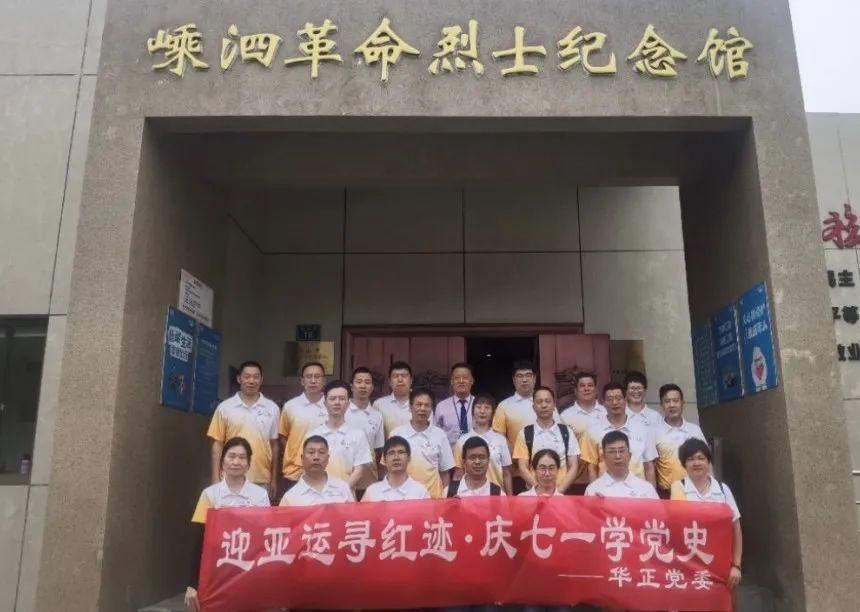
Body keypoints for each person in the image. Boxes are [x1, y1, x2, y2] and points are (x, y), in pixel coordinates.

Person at [185, 437, 269, 611]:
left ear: (249, 463)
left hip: (249, 573)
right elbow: (198, 540)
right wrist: (192, 584)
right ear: (222, 461)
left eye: (242, 457)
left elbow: (264, 538)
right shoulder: (210, 495)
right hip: (216, 573)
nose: (236, 462)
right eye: (231, 456)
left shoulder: (260, 495)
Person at [671, 438, 743, 590]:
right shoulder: (678, 488)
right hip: (689, 565)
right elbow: (675, 528)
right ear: (684, 464)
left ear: (708, 462)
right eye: (691, 459)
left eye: (701, 458)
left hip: (722, 564)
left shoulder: (723, 490)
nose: (696, 463)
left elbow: (736, 528)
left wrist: (736, 565)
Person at [206, 361, 279, 496]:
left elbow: (274, 445)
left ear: (261, 380)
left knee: (260, 511)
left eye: (256, 377)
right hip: (229, 478)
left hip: (261, 479)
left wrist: (274, 479)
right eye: (247, 376)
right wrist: (215, 478)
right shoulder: (224, 408)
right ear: (239, 379)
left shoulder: (272, 408)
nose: (251, 381)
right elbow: (218, 444)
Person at [580, 382, 658, 487]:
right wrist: (594, 492)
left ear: (625, 400)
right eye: (610, 399)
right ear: (604, 403)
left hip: (637, 491)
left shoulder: (643, 429)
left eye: (618, 398)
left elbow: (649, 466)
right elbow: (592, 467)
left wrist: (652, 494)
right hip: (606, 491)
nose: (615, 402)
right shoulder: (593, 430)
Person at [304, 380, 372, 492]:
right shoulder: (313, 435)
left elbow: (359, 471)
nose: (337, 402)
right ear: (325, 403)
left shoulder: (358, 435)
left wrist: (340, 492)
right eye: (332, 399)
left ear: (348, 404)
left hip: (346, 495)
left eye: (341, 399)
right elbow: (307, 469)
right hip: (318, 495)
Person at [513, 386, 580, 494]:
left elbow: (573, 466)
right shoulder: (525, 433)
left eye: (548, 401)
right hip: (534, 494)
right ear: (533, 407)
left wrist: (558, 492)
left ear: (554, 405)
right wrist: (539, 490)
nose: (544, 405)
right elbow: (522, 467)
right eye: (539, 402)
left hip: (562, 493)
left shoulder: (566, 432)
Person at [390, 389, 456, 498]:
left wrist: (445, 498)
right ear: (410, 407)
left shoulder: (440, 435)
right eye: (419, 405)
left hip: (433, 499)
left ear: (432, 409)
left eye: (427, 405)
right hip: (403, 498)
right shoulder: (396, 433)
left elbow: (445, 472)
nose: (422, 409)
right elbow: (388, 469)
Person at [279, 361, 328, 494]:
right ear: (302, 381)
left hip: (326, 471)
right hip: (294, 472)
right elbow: (283, 437)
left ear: (324, 381)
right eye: (309, 376)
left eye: (317, 376)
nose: (313, 380)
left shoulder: (331, 406)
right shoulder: (290, 406)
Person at [453, 394, 514, 494]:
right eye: (478, 407)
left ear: (493, 413)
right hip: (468, 495)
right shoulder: (462, 440)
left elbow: (506, 474)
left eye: (487, 407)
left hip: (495, 494)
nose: (482, 411)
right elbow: (458, 473)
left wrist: (510, 498)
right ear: (473, 411)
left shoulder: (500, 440)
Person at [654, 384, 706, 498]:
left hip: (696, 491)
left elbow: (707, 461)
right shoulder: (654, 432)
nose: (672, 405)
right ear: (661, 405)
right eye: (667, 401)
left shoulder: (695, 430)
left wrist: (712, 488)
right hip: (667, 494)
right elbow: (650, 467)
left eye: (676, 401)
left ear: (682, 403)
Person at [559, 371, 606, 494]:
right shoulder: (565, 416)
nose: (586, 389)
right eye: (582, 386)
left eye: (590, 385)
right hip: (575, 479)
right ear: (575, 391)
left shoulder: (606, 413)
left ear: (596, 390)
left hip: (603, 477)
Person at [280, 435, 354, 506]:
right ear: (302, 459)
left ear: (328, 458)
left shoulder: (342, 488)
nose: (316, 457)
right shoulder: (290, 498)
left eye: (321, 452)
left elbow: (353, 514)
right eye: (311, 452)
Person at [585, 431, 659, 499]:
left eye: (622, 451)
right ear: (604, 457)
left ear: (629, 455)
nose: (618, 456)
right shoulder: (593, 490)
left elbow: (657, 509)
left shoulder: (646, 489)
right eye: (612, 451)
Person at [345, 366, 384, 491]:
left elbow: (378, 449)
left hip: (368, 479)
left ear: (372, 387)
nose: (363, 386)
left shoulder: (377, 415)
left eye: (367, 382)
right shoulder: (342, 411)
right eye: (359, 382)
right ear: (351, 386)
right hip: (344, 476)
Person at [362, 436, 431, 501]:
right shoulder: (372, 492)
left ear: (409, 458)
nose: (396, 457)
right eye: (391, 453)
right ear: (384, 460)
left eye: (401, 452)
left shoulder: (421, 492)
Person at [435, 362, 476, 445]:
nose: (461, 381)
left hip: (475, 450)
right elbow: (435, 433)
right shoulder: (441, 406)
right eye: (457, 378)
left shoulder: (479, 405)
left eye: (465, 378)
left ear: (472, 381)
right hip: (449, 450)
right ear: (451, 381)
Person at [374, 361, 414, 438]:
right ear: (389, 382)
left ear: (411, 380)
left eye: (404, 376)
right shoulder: (379, 405)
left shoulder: (421, 404)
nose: (400, 380)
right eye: (395, 376)